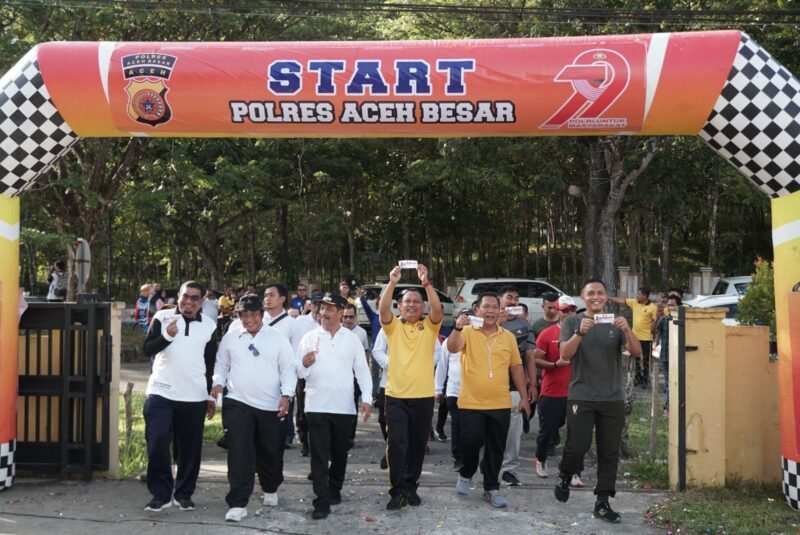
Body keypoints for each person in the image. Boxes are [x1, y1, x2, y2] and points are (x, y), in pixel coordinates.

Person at [554, 279, 642, 524]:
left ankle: (602, 502)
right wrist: (581, 332)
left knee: (609, 452)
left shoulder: (616, 322)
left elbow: (636, 352)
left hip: (612, 398)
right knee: (578, 445)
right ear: (583, 297)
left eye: (600, 293)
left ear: (606, 296)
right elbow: (564, 355)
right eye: (591, 293)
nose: (596, 297)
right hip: (582, 396)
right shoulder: (572, 321)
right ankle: (565, 473)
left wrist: (627, 330)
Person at [211, 295, 296, 522]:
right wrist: (217, 382)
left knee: (270, 452)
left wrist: (287, 394)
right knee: (239, 452)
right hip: (238, 402)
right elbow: (221, 363)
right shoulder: (231, 338)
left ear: (261, 314)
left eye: (253, 314)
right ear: (238, 316)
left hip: (270, 405)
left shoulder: (277, 339)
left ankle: (270, 487)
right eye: (244, 315)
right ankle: (238, 502)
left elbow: (288, 368)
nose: (249, 319)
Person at [448, 292, 531, 509]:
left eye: (495, 307)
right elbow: (452, 347)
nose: (491, 311)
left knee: (496, 449)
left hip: (500, 403)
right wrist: (457, 327)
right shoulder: (466, 331)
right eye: (486, 306)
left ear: (499, 310)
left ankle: (491, 488)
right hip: (471, 403)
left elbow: (516, 367)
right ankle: (466, 473)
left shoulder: (508, 337)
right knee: (471, 443)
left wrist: (524, 396)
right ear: (477, 310)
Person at [141, 281, 218, 512]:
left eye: (195, 298)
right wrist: (166, 336)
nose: (189, 302)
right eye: (186, 296)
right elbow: (147, 349)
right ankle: (161, 494)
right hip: (161, 392)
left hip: (193, 396)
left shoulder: (209, 326)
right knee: (157, 440)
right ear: (179, 296)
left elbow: (210, 363)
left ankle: (184, 493)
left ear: (202, 300)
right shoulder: (162, 318)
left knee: (190, 449)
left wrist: (209, 396)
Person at [297, 295, 373, 519]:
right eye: (322, 308)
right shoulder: (309, 338)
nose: (325, 312)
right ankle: (321, 500)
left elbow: (362, 371)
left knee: (339, 452)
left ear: (341, 312)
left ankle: (335, 489)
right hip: (316, 405)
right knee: (319, 455)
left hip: (343, 407)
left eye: (330, 309)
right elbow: (298, 371)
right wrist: (304, 364)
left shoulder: (352, 339)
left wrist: (366, 399)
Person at [379, 264, 442, 510]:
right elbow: (382, 308)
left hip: (424, 397)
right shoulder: (393, 326)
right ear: (401, 306)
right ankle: (396, 490)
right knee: (397, 445)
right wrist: (392, 282)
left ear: (422, 306)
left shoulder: (430, 326)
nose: (413, 305)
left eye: (417, 302)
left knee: (417, 446)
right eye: (407, 302)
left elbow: (438, 308)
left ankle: (411, 487)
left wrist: (426, 283)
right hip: (395, 396)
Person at [531, 295, 583, 486]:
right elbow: (535, 360)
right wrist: (554, 364)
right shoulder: (547, 333)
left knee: (577, 434)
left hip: (578, 393)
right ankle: (541, 460)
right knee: (548, 430)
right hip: (553, 392)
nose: (569, 314)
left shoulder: (583, 334)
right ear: (558, 312)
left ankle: (575, 471)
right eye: (565, 310)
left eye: (572, 310)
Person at [497, 285, 536, 487]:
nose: (513, 302)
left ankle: (509, 470)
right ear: (499, 300)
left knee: (513, 431)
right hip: (488, 387)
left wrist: (532, 385)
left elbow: (529, 356)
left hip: (514, 386)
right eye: (509, 297)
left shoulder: (525, 325)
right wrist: (496, 323)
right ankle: (488, 468)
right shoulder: (486, 322)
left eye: (516, 298)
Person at [263, 282, 305, 448]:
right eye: (266, 295)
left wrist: (291, 378)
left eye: (272, 295)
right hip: (261, 376)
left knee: (282, 410)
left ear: (282, 298)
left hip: (283, 376)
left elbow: (296, 353)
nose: (267, 299)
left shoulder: (292, 324)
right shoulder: (258, 321)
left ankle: (285, 436)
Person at [609, 288, 658, 388]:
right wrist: (608, 297)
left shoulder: (653, 307)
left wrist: (655, 336)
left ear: (645, 296)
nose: (637, 296)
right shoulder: (635, 303)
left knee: (645, 360)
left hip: (646, 338)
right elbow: (622, 301)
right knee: (635, 359)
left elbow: (655, 322)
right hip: (634, 338)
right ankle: (637, 378)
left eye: (639, 294)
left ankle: (645, 379)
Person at [435, 327, 463, 471]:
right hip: (454, 391)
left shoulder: (479, 339)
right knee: (457, 424)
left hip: (477, 393)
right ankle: (458, 457)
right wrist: (438, 388)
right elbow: (442, 365)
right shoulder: (449, 342)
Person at [653, 295, 681, 417]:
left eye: (672, 304)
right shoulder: (664, 320)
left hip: (679, 358)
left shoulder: (683, 320)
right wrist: (656, 317)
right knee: (669, 383)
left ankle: (672, 407)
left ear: (679, 306)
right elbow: (654, 331)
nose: (670, 307)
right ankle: (668, 408)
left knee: (677, 383)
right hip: (666, 357)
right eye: (668, 304)